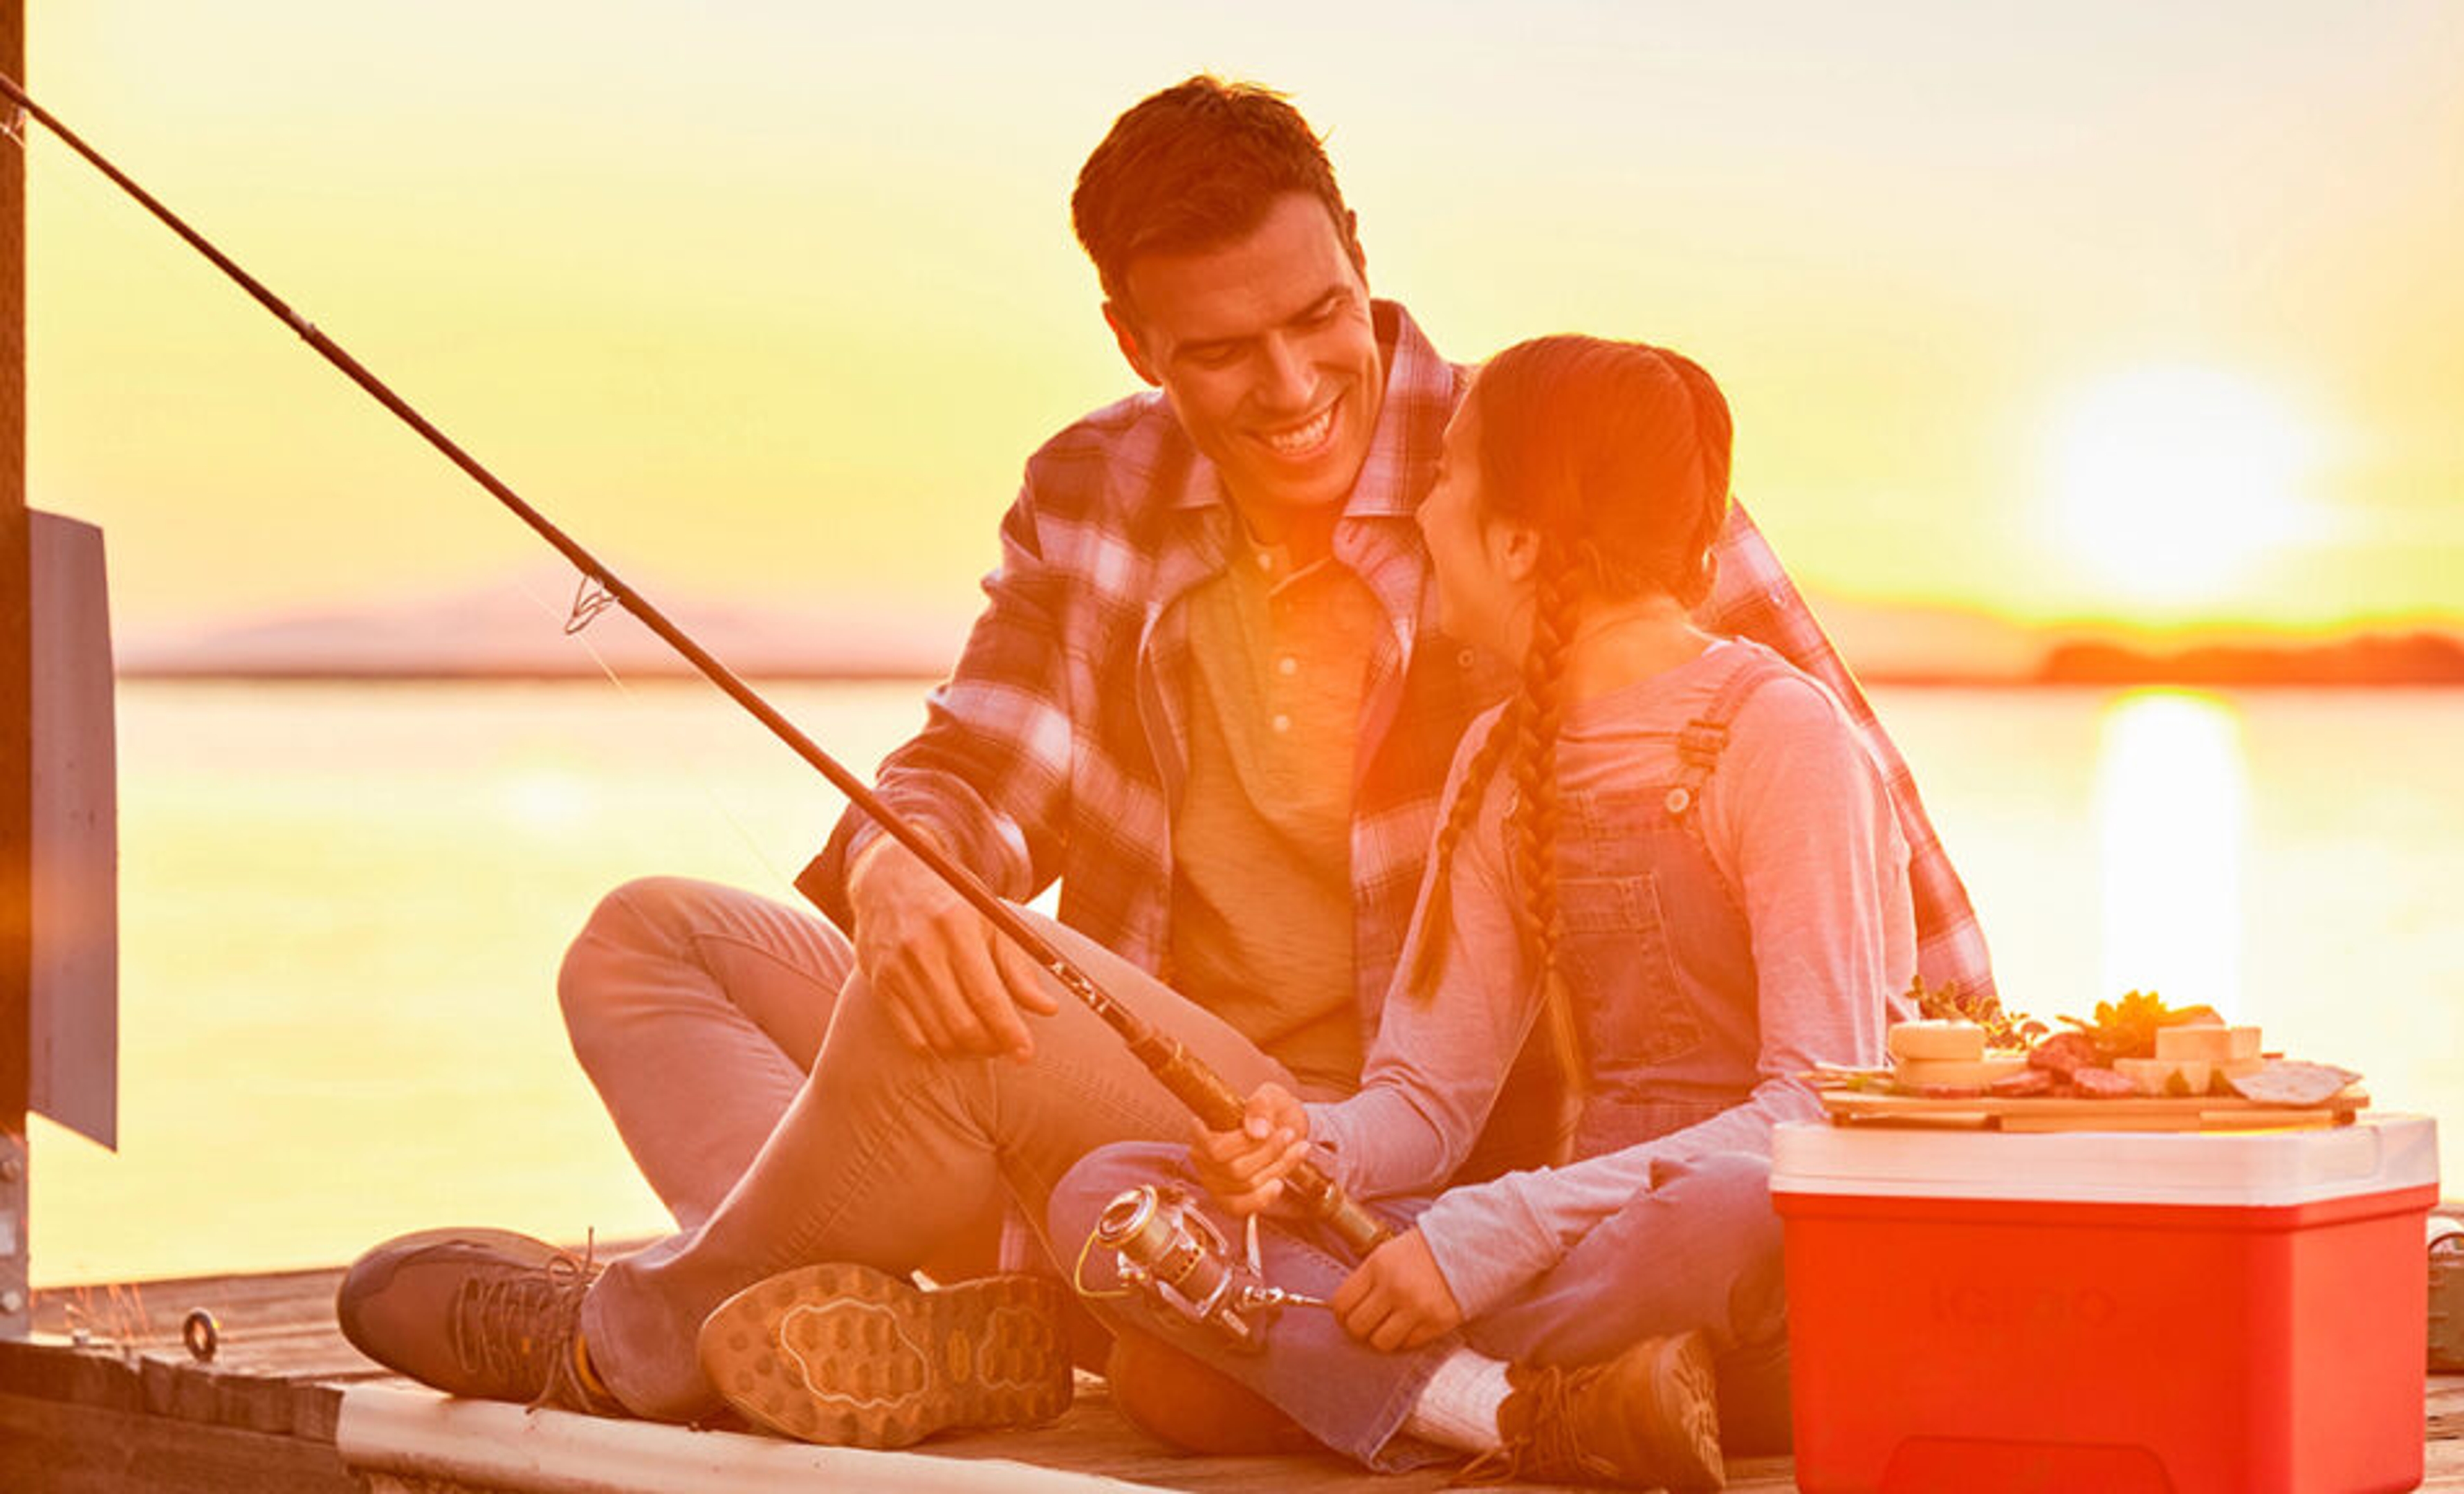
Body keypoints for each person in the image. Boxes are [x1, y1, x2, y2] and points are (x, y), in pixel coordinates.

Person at [335, 75, 1992, 1451]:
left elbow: (1892, 905)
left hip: (1480, 1194)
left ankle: (649, 1330)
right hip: (1219, 1132)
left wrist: (1942, 1227)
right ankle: (908, 1317)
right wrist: (909, 866)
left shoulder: (1561, 466)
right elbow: (979, 762)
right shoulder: (1098, 491)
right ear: (1136, 339)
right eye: (1218, 352)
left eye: (1317, 316)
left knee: (1015, 1039)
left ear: (1358, 253)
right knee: (652, 944)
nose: (1290, 390)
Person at [1041, 334, 1901, 1490]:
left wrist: (1485, 1238)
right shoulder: (1502, 758)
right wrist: (1306, 1144)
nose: (1420, 515)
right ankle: (1513, 1410)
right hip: (1554, 1272)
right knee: (1110, 1196)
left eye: (1445, 479)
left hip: (1715, 1287)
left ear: (1517, 541)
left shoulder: (1780, 736)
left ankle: (1352, 1379)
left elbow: (1818, 1113)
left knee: (1736, 1208)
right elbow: (1428, 1104)